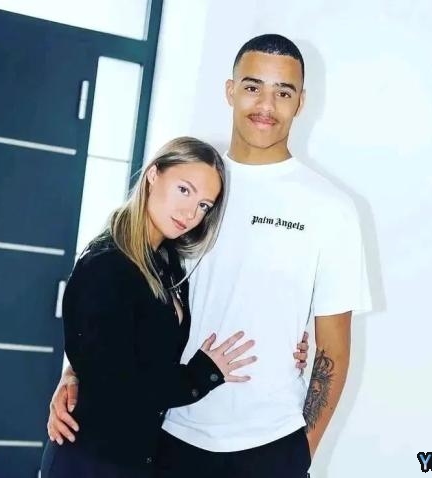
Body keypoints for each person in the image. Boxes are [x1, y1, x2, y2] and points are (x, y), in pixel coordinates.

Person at [49, 34, 371, 478]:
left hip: (271, 442)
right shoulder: (193, 183)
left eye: (283, 92)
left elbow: (333, 347)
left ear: (300, 103)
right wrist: (73, 373)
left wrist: (303, 450)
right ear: (230, 90)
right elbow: (118, 291)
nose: (266, 105)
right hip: (168, 434)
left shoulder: (331, 208)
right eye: (253, 86)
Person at [40, 137, 259, 477]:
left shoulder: (167, 262)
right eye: (184, 190)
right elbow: (119, 386)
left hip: (135, 458)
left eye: (203, 205)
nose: (190, 213)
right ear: (154, 175)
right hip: (90, 461)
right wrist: (202, 374)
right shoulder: (107, 264)